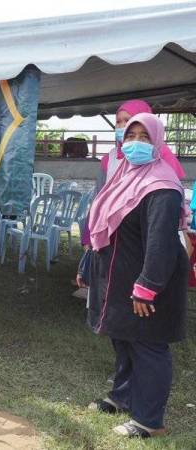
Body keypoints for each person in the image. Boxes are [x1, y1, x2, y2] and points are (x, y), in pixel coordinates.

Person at [86, 113, 188, 439]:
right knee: (125, 339)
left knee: (149, 345)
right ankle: (123, 396)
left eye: (145, 137)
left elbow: (161, 242)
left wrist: (147, 287)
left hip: (150, 281)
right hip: (122, 274)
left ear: (158, 142)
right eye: (131, 136)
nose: (136, 143)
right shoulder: (126, 176)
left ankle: (149, 420)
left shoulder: (162, 185)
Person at [78, 99, 186, 283]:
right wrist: (89, 237)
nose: (122, 126)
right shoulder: (111, 159)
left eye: (127, 120)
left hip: (145, 242)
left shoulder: (162, 159)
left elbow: (166, 207)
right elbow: (99, 199)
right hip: (113, 243)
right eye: (118, 122)